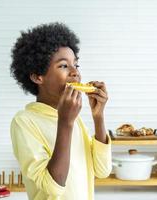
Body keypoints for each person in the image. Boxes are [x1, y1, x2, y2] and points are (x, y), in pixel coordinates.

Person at [9, 22, 112, 200]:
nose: (75, 73)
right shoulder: (24, 121)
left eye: (76, 65)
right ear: (37, 76)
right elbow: (53, 187)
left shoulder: (74, 120)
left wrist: (98, 117)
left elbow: (102, 171)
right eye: (64, 66)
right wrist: (65, 123)